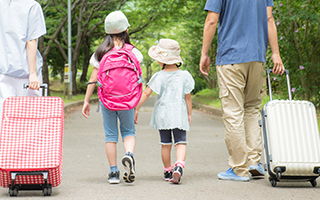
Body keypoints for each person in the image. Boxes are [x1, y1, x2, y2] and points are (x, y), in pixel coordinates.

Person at [199, 0, 285, 181]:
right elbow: (269, 19)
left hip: (231, 57)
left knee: (233, 112)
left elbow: (211, 21)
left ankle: (239, 168)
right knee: (252, 109)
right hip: (257, 57)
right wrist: (275, 53)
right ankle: (254, 162)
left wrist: (204, 53)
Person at [82, 10, 143, 184]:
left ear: (107, 31)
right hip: (128, 100)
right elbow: (138, 79)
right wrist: (136, 103)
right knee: (129, 132)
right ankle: (129, 154)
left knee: (110, 135)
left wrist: (87, 100)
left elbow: (93, 79)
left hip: (107, 100)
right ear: (126, 30)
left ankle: (113, 172)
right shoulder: (134, 53)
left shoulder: (101, 52)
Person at [134, 39, 195, 184]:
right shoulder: (185, 75)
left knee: (165, 144)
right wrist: (189, 113)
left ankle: (168, 171)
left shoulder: (158, 76)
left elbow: (146, 93)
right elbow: (188, 97)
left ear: (163, 60)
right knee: (181, 143)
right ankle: (179, 166)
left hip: (163, 116)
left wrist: (136, 109)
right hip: (179, 114)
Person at [0, 0, 46, 127]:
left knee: (5, 120)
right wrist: (33, 73)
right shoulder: (32, 6)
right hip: (26, 74)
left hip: (3, 72)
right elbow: (31, 41)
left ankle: (6, 147)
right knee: (29, 119)